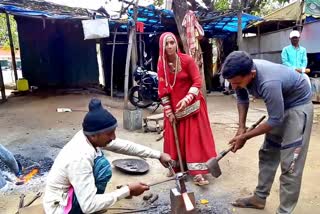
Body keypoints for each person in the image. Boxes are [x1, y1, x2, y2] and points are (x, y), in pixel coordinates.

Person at [221, 51, 313, 214]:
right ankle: (259, 198)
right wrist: (241, 127)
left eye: (237, 82)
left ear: (252, 74)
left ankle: (284, 211)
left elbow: (275, 120)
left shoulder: (268, 82)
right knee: (268, 152)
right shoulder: (241, 73)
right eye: (231, 83)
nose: (234, 87)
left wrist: (246, 136)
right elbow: (242, 98)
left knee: (290, 163)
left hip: (298, 106)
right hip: (280, 103)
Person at [43, 98, 172, 214]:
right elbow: (88, 206)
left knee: (99, 162)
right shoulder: (80, 157)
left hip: (68, 194)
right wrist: (127, 191)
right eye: (110, 133)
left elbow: (125, 146)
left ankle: (95, 202)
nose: (114, 137)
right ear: (94, 135)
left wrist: (158, 155)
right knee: (102, 166)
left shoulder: (88, 136)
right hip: (59, 208)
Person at [157, 32, 217, 186]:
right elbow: (163, 90)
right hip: (174, 108)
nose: (170, 46)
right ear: (162, 47)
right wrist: (168, 111)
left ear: (176, 43)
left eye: (172, 43)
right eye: (166, 44)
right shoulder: (161, 64)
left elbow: (197, 82)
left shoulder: (187, 60)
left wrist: (187, 98)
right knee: (173, 137)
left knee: (193, 138)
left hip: (192, 106)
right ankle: (175, 166)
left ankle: (197, 172)